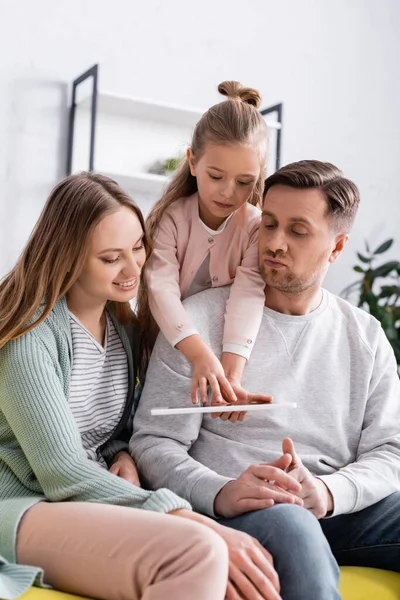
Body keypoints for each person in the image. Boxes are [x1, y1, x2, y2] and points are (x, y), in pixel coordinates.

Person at [0, 172, 282, 600]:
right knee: (199, 546)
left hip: (81, 502)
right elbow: (61, 469)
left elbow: (106, 433)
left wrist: (125, 455)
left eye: (137, 248)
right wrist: (186, 515)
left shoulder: (123, 328)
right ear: (68, 257)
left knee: (209, 559)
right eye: (111, 258)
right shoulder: (29, 335)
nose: (135, 268)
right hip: (23, 505)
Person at [130, 160, 400, 600]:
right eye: (269, 224)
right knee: (291, 522)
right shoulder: (197, 324)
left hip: (336, 508)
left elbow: (391, 450)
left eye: (298, 230)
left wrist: (329, 492)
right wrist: (222, 491)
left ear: (336, 247)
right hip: (243, 510)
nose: (274, 243)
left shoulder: (365, 335)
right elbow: (153, 442)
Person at [144, 80, 272, 409]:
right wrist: (199, 355)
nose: (228, 193)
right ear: (192, 162)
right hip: (165, 344)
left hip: (223, 348)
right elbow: (161, 289)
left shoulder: (255, 225)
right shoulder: (171, 218)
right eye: (215, 176)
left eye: (245, 182)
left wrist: (231, 375)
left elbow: (248, 295)